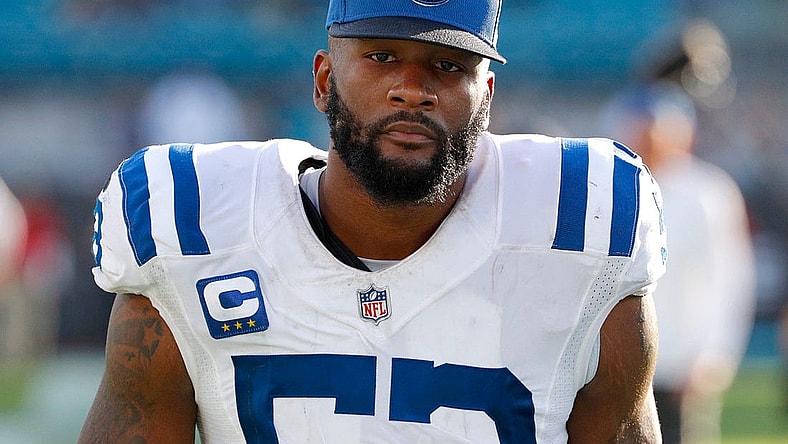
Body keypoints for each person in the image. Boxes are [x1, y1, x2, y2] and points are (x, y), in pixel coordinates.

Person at [79, 1, 667, 442]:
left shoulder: (582, 234)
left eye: (446, 64)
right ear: (324, 80)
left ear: (485, 97)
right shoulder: (193, 234)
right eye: (382, 56)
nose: (412, 90)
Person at [602, 82, 755, 443]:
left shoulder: (708, 194)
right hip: (619, 362)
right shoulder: (612, 186)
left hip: (680, 364)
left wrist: (714, 355)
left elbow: (730, 280)